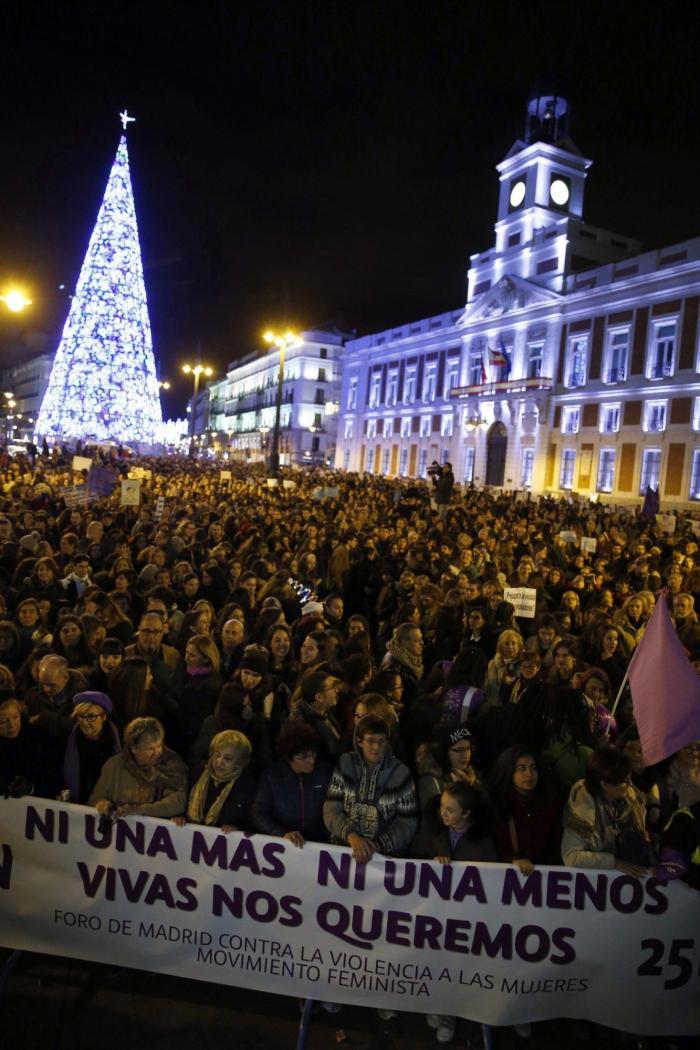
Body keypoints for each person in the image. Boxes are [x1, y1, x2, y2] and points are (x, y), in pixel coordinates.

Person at [423, 781, 497, 1044]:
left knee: (457, 966)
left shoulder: (484, 843)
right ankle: (438, 1004)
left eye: (450, 810)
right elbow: (418, 860)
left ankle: (449, 1013)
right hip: (437, 914)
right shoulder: (435, 831)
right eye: (442, 807)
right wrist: (434, 860)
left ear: (466, 814)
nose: (442, 814)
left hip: (465, 918)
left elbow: (488, 883)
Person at [324, 714, 418, 863]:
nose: (377, 747)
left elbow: (407, 822)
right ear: (359, 741)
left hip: (383, 858)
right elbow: (331, 809)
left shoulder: (401, 773)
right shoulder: (345, 763)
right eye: (371, 741)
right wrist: (351, 836)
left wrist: (377, 845)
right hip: (343, 850)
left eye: (381, 741)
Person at [561, 745, 651, 874]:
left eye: (629, 778)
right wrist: (613, 863)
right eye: (624, 781)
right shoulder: (582, 809)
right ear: (604, 784)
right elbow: (571, 856)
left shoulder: (633, 800)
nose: (630, 784)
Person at [89, 716, 187, 818]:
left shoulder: (170, 765)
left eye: (159, 746)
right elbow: (96, 797)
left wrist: (142, 810)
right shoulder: (114, 765)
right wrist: (102, 803)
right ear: (134, 749)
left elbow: (177, 801)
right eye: (150, 749)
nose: (157, 753)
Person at [252, 722, 332, 845]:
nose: (311, 761)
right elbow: (258, 814)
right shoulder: (272, 777)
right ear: (289, 758)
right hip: (285, 844)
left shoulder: (325, 773)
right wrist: (282, 833)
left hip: (319, 844)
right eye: (303, 757)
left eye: (313, 754)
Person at [489, 745, 562, 874]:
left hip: (544, 874)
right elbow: (492, 844)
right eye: (521, 768)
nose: (529, 774)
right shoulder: (497, 803)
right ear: (509, 770)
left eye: (533, 768)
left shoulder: (549, 802)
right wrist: (513, 858)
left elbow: (555, 842)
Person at [176, 729, 256, 832]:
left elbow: (252, 822)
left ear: (240, 762)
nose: (219, 762)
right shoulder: (196, 773)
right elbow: (181, 801)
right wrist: (179, 817)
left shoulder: (248, 786)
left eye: (227, 758)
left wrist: (238, 829)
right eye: (217, 755)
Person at [62, 691, 121, 803]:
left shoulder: (115, 740)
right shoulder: (72, 738)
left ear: (103, 717)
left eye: (91, 717)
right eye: (80, 716)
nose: (84, 722)